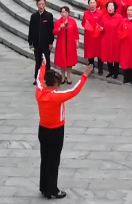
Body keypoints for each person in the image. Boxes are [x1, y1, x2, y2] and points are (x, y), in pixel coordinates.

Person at [36, 60, 93, 200]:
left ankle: (44, 187)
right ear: (56, 84)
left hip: (42, 129)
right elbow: (74, 91)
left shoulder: (40, 92)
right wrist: (84, 75)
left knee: (45, 159)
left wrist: (43, 65)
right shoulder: (56, 97)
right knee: (54, 161)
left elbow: (38, 77)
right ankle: (52, 189)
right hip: (55, 131)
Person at [28, 0, 55, 85]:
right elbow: (31, 30)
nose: (41, 6)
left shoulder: (49, 16)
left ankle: (48, 79)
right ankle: (37, 78)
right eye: (39, 4)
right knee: (38, 61)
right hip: (36, 44)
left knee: (46, 61)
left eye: (42, 4)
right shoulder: (33, 16)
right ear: (37, 5)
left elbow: (51, 30)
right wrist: (30, 42)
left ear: (45, 5)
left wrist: (51, 42)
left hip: (46, 44)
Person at [53, 6, 80, 84]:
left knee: (69, 61)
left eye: (65, 12)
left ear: (68, 13)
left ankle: (68, 76)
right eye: (62, 12)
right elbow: (54, 32)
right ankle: (62, 76)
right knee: (62, 60)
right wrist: (59, 28)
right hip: (61, 44)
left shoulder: (72, 21)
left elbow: (76, 32)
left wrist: (77, 40)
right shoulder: (58, 22)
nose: (63, 14)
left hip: (70, 44)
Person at [81, 0, 104, 75]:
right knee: (90, 53)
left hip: (98, 36)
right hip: (89, 36)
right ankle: (91, 68)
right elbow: (83, 23)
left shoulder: (100, 13)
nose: (92, 4)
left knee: (99, 53)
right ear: (88, 4)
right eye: (91, 3)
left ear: (96, 4)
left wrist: (101, 28)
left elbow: (103, 23)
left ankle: (100, 69)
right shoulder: (86, 13)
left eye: (94, 2)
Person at [101, 1, 122, 78]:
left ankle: (116, 73)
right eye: (108, 6)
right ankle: (111, 71)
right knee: (108, 56)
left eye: (111, 6)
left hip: (116, 40)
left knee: (116, 57)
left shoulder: (119, 17)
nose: (110, 8)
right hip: (106, 39)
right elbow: (101, 26)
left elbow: (121, 29)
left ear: (115, 8)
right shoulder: (104, 17)